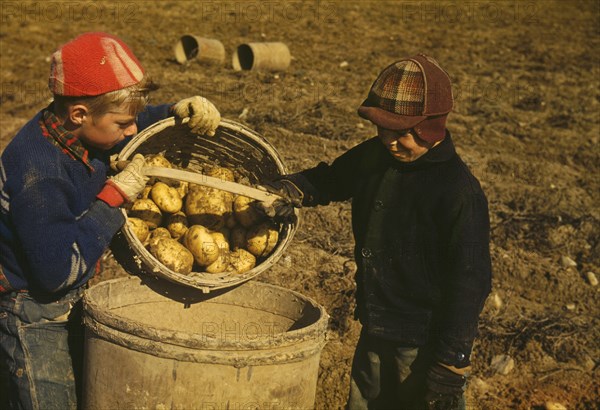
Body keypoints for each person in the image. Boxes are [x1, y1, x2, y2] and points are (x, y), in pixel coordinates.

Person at [0, 32, 221, 409]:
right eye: (124, 123)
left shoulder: (79, 128)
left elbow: (120, 122)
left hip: (69, 298)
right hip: (32, 310)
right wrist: (113, 199)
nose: (132, 131)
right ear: (79, 114)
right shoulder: (40, 173)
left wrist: (172, 112)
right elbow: (57, 274)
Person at [258, 54, 492, 409]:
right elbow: (334, 178)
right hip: (376, 325)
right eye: (381, 130)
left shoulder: (458, 193)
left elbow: (470, 283)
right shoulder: (377, 156)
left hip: (422, 344)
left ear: (431, 129)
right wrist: (298, 187)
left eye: (400, 133)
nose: (389, 141)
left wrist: (451, 366)